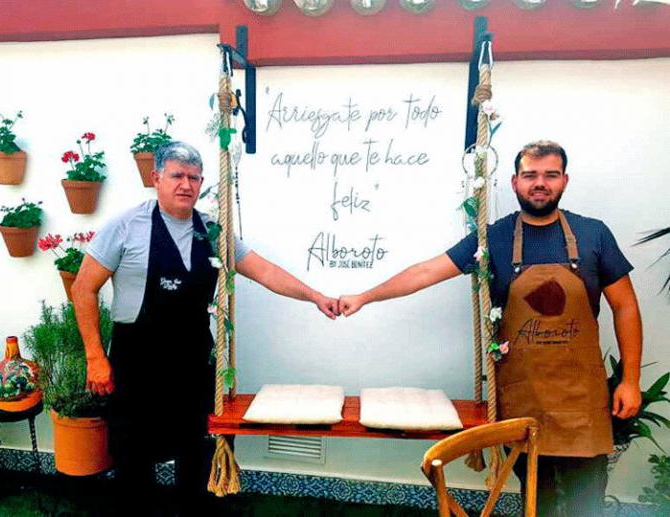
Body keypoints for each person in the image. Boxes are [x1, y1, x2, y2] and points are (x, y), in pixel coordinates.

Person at [339, 140, 642, 516]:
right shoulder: (492, 238)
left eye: (550, 175)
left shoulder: (594, 234)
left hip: (582, 400)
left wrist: (630, 380)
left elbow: (625, 306)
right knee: (538, 498)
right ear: (515, 182)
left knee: (586, 501)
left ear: (564, 181)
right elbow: (427, 271)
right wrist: (365, 296)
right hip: (522, 396)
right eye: (530, 175)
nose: (540, 183)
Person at [71, 141, 339, 516]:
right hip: (137, 360)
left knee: (196, 452)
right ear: (156, 178)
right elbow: (83, 288)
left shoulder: (213, 230)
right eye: (177, 175)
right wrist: (95, 357)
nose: (186, 184)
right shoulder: (125, 227)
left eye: (194, 178)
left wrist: (315, 296)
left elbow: (265, 271)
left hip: (193, 357)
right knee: (133, 458)